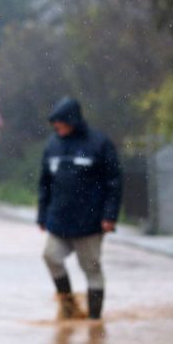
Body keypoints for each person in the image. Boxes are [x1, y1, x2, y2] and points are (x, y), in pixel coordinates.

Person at [36, 96, 123, 320]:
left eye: (60, 121)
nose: (57, 126)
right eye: (54, 122)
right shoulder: (52, 145)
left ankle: (94, 321)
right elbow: (45, 182)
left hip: (90, 222)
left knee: (91, 269)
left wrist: (109, 216)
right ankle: (69, 308)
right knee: (50, 257)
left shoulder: (99, 143)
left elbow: (113, 182)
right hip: (58, 220)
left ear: (72, 120)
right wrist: (42, 214)